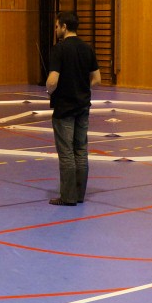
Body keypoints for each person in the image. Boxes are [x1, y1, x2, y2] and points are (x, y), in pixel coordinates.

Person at [45, 11, 101, 206]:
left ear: (64, 26)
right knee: (81, 150)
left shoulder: (59, 49)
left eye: (57, 26)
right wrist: (82, 88)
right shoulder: (88, 49)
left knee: (67, 153)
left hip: (64, 109)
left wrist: (49, 90)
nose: (56, 30)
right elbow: (97, 79)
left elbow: (53, 80)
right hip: (83, 107)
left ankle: (68, 197)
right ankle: (79, 195)